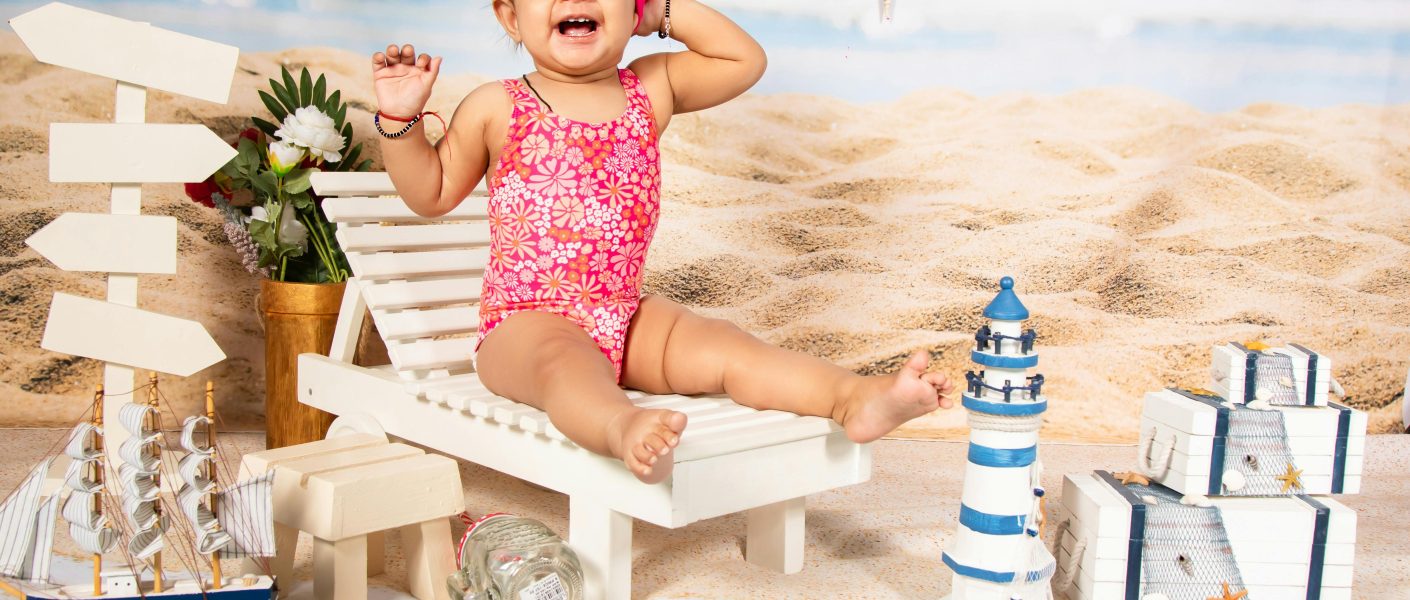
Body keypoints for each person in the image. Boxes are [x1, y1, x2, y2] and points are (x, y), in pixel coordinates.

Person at [371, 0, 955, 484]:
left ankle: (852, 398)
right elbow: (433, 192)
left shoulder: (651, 88)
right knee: (563, 365)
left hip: (623, 315)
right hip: (523, 325)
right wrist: (400, 121)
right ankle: (620, 427)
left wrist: (663, 14)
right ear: (509, 17)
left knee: (726, 347)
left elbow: (744, 58)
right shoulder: (496, 105)